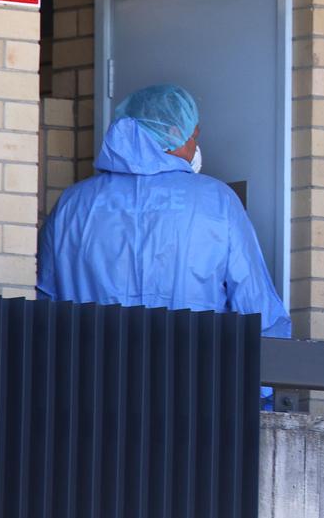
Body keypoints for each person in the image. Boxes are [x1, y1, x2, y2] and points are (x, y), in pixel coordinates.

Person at [37, 84, 292, 340]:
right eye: (194, 136)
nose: (195, 146)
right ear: (173, 132)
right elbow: (257, 309)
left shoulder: (72, 204)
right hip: (194, 372)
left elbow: (42, 301)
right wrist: (261, 377)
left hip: (90, 372)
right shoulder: (217, 200)